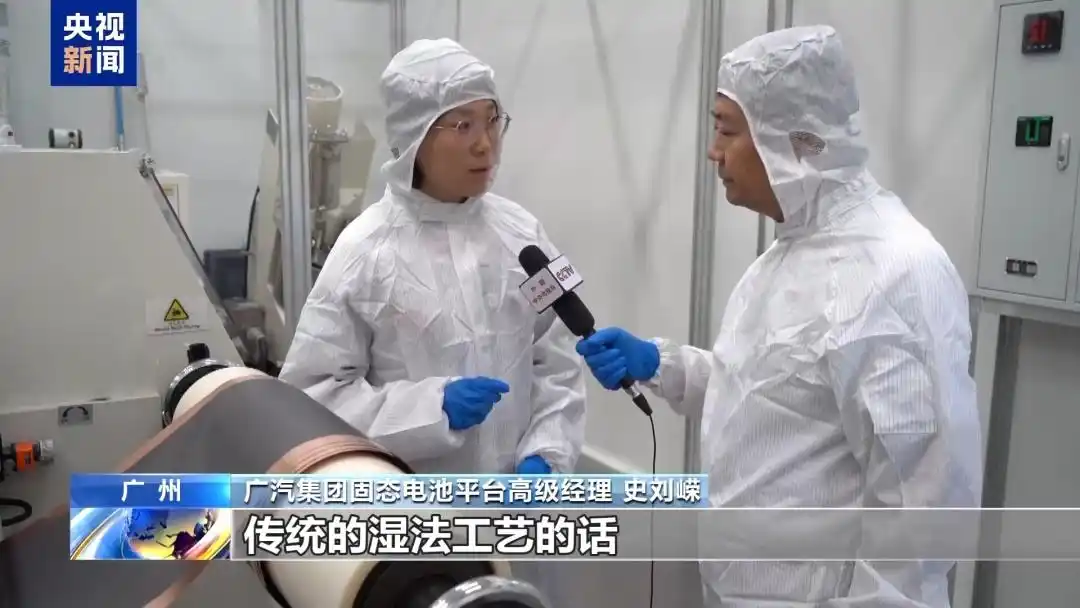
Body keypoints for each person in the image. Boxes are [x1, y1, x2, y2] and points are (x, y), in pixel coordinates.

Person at [576, 25, 982, 607]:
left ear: (792, 136)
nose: (714, 152)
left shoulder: (895, 273)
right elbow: (772, 396)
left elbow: (924, 502)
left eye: (726, 129)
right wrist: (662, 365)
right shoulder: (785, 257)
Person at [279, 38, 586, 478]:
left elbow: (556, 359)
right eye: (463, 126)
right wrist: (428, 409)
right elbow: (312, 398)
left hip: (516, 508)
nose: (485, 144)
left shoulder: (523, 234)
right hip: (413, 506)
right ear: (414, 139)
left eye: (492, 120)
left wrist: (547, 452)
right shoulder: (363, 251)